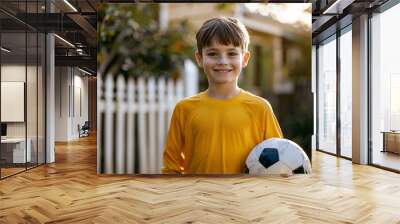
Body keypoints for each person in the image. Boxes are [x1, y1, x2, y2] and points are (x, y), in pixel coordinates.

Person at [162, 17, 283, 174]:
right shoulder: (184, 109)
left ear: (245, 58)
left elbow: (277, 161)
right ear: (199, 58)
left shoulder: (260, 108)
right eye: (213, 54)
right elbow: (171, 168)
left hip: (244, 196)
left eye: (232, 53)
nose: (223, 61)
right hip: (198, 196)